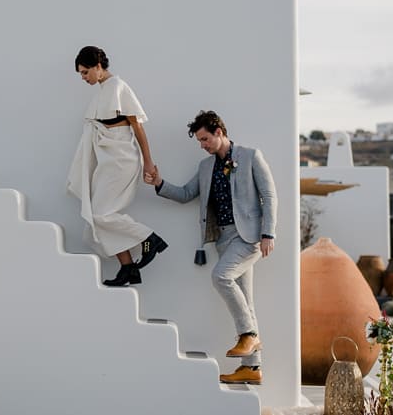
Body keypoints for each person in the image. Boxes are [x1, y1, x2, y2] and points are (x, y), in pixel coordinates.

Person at [144, 110, 277, 384]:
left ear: (219, 132)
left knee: (220, 276)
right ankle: (251, 369)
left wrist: (268, 233)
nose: (202, 145)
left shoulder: (251, 156)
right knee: (246, 300)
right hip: (223, 238)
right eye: (200, 141)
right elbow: (185, 194)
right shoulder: (206, 167)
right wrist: (159, 183)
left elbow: (269, 195)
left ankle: (249, 335)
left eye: (205, 139)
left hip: (249, 237)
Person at [66, 46, 168, 286]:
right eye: (81, 74)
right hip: (107, 161)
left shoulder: (118, 87)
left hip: (122, 161)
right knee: (97, 218)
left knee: (100, 214)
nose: (83, 78)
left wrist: (148, 162)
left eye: (85, 72)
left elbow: (137, 127)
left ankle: (148, 238)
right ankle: (128, 268)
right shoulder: (102, 91)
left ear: (98, 66)